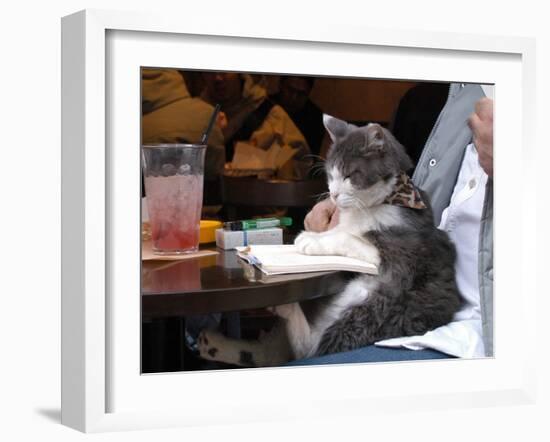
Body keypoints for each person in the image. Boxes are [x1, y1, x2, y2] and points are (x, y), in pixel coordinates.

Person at [288, 83, 493, 365]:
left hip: (471, 331)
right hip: (423, 303)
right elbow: (407, 202)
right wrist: (353, 204)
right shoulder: (466, 91)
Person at [201, 72, 312, 180]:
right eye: (209, 72)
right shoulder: (196, 114)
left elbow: (302, 162)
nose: (218, 78)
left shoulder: (268, 113)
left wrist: (273, 171)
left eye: (225, 71)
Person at [270, 75, 325, 157]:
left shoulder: (315, 118)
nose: (293, 98)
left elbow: (310, 157)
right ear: (280, 85)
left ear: (308, 93)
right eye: (290, 90)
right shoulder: (266, 105)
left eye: (301, 94)